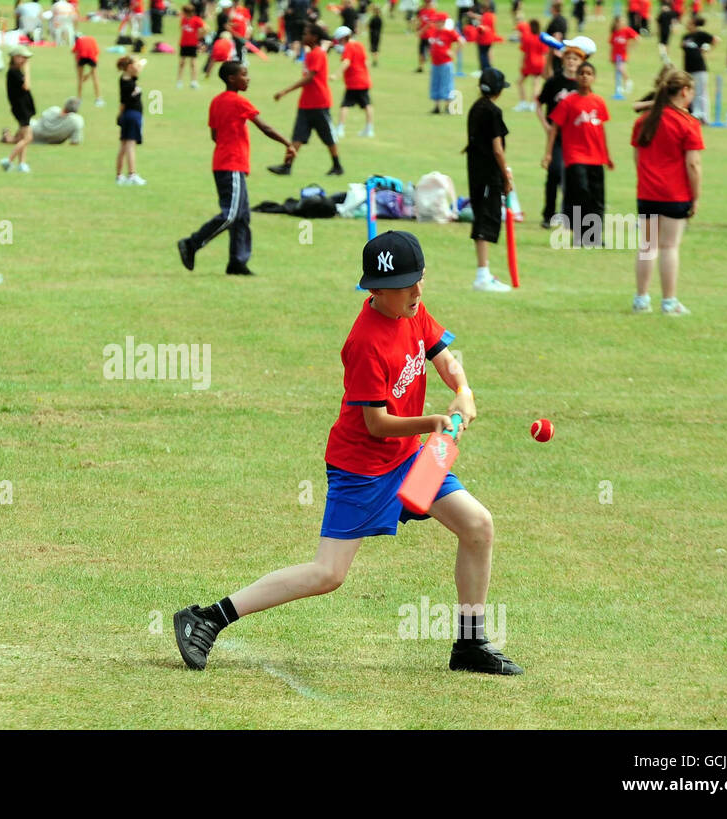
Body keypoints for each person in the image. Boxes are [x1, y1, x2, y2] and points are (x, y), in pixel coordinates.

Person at [173, 229, 523, 677]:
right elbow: (376, 423)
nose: (417, 292)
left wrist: (463, 389)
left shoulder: (411, 310)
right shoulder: (365, 342)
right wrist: (435, 423)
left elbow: (442, 354)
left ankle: (470, 644)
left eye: (421, 280)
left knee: (478, 525)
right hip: (362, 469)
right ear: (376, 290)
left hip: (411, 459)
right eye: (405, 285)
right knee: (328, 574)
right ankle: (207, 618)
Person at [178, 61, 294, 275]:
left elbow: (214, 134)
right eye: (244, 74)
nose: (248, 78)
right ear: (232, 79)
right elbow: (265, 127)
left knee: (242, 216)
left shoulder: (216, 101)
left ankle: (237, 263)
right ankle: (191, 243)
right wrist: (288, 143)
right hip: (231, 164)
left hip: (223, 162)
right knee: (230, 214)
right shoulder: (239, 102)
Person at [630, 68, 701, 315]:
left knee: (647, 246)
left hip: (647, 193)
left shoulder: (644, 120)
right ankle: (669, 301)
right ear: (684, 91)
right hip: (675, 194)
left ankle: (641, 299)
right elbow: (693, 164)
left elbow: (637, 156)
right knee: (670, 247)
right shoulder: (688, 123)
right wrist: (696, 196)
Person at [543, 60, 612, 245]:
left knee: (597, 197)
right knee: (580, 193)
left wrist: (608, 155)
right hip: (576, 156)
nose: (584, 76)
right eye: (582, 73)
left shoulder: (598, 102)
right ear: (577, 77)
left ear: (594, 78)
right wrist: (548, 153)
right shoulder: (568, 102)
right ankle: (580, 234)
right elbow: (555, 128)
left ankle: (595, 236)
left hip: (596, 158)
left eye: (589, 73)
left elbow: (601, 130)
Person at [268, 23, 344, 176]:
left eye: (306, 34)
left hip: (319, 102)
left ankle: (337, 166)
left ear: (314, 37)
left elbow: (309, 78)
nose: (303, 37)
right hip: (306, 102)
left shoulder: (318, 54)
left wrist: (285, 91)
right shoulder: (310, 54)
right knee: (298, 135)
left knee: (327, 136)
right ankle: (287, 166)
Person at [465, 67, 514, 292]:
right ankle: (482, 275)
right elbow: (497, 149)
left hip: (475, 171)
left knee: (482, 217)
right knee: (485, 220)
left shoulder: (476, 107)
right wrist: (506, 175)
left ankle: (484, 272)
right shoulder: (493, 111)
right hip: (488, 174)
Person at [534, 41, 583, 227]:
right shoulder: (554, 82)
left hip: (576, 137)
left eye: (575, 59)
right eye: (569, 58)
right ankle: (548, 214)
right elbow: (538, 104)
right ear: (563, 60)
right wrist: (545, 125)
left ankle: (568, 214)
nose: (571, 62)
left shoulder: (582, 83)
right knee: (554, 171)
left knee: (572, 176)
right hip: (556, 135)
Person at [333, 26, 374, 138]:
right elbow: (366, 62)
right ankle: (369, 129)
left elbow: (346, 62)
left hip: (353, 81)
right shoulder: (359, 45)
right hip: (364, 80)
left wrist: (336, 74)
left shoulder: (348, 47)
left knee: (345, 105)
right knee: (367, 105)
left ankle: (340, 129)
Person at [2, 44, 36, 172]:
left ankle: (22, 164)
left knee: (22, 137)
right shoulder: (13, 72)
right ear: (15, 58)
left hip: (23, 108)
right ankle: (8, 160)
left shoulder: (15, 72)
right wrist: (27, 70)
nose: (25, 61)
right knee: (28, 138)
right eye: (23, 57)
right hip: (22, 110)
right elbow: (26, 86)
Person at [116, 56, 147, 185]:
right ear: (129, 67)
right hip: (131, 115)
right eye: (135, 65)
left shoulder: (130, 78)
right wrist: (120, 114)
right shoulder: (126, 82)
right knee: (130, 145)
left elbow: (141, 66)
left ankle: (119, 176)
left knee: (124, 146)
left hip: (131, 115)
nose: (138, 67)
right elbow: (123, 102)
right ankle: (132, 174)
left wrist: (138, 61)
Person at [679, 15, 717, 123]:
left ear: (694, 24)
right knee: (691, 93)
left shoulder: (700, 34)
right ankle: (695, 114)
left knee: (701, 92)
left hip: (699, 68)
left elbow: (715, 40)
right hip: (688, 68)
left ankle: (704, 116)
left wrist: (707, 50)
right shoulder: (685, 37)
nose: (687, 25)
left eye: (689, 23)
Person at [0, 96, 85, 143]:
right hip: (53, 140)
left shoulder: (53, 110)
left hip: (35, 132)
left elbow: (41, 120)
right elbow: (75, 141)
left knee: (27, 124)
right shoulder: (77, 121)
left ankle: (11, 139)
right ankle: (11, 138)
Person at [427, 16, 461, 114]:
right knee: (435, 84)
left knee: (446, 84)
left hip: (445, 63)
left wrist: (454, 53)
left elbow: (461, 41)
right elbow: (432, 44)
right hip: (435, 63)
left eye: (438, 22)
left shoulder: (448, 32)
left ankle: (448, 106)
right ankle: (436, 106)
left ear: (443, 22)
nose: (436, 24)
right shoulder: (434, 32)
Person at [513, 15, 545, 112]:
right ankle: (533, 103)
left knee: (520, 82)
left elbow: (524, 52)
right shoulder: (541, 38)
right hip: (539, 63)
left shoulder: (527, 38)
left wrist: (522, 63)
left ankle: (523, 102)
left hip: (529, 62)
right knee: (536, 83)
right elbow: (544, 52)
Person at [176, 5, 207, 88]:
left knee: (193, 63)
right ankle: (179, 81)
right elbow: (182, 29)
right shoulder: (183, 20)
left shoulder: (196, 20)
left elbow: (206, 28)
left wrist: (200, 36)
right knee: (182, 63)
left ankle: (194, 81)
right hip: (184, 44)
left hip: (192, 44)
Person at [70, 33, 103, 106]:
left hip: (82, 57)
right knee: (95, 78)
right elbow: (97, 53)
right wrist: (88, 75)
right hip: (92, 57)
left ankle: (79, 98)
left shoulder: (78, 40)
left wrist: (79, 71)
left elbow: (75, 53)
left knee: (80, 79)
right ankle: (98, 99)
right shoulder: (92, 39)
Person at [610, 15, 639, 96]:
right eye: (619, 22)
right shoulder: (614, 32)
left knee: (621, 69)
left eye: (622, 21)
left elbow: (637, 38)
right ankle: (619, 87)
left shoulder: (627, 30)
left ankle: (628, 83)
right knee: (617, 72)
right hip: (615, 55)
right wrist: (611, 56)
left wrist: (631, 47)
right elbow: (612, 44)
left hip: (623, 55)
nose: (620, 23)